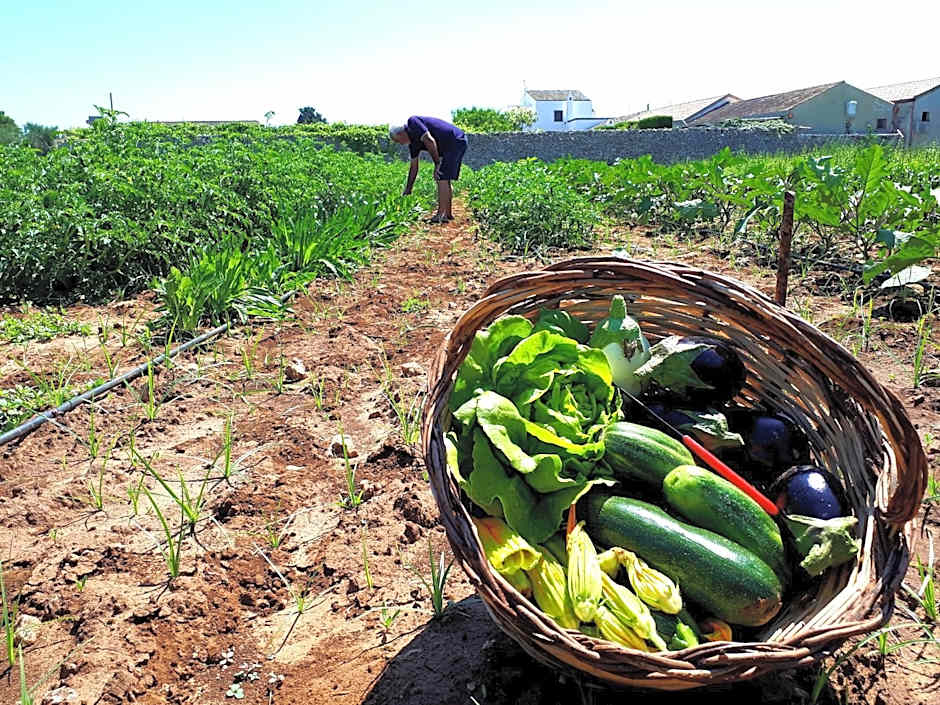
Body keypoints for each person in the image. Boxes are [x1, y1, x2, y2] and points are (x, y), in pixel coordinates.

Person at [389, 116, 468, 223]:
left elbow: (429, 140)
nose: (400, 144)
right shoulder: (413, 144)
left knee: (441, 177)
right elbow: (414, 167)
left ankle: (441, 215)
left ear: (400, 134)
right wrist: (408, 189)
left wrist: (437, 164)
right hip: (455, 142)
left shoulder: (413, 122)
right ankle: (447, 214)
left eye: (398, 141)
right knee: (444, 178)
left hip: (454, 140)